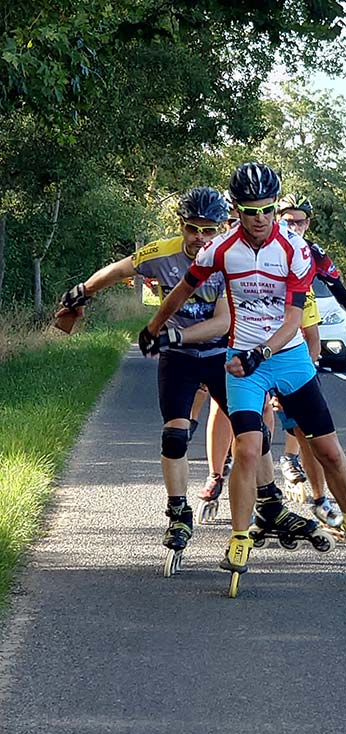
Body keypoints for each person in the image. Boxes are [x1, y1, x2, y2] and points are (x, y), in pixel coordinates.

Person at [143, 163, 346, 587]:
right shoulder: (219, 250)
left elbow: (295, 317)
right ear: (236, 212)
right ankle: (240, 536)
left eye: (267, 209)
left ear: (276, 208)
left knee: (328, 450)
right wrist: (154, 330)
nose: (259, 219)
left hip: (286, 354)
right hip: (244, 360)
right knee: (247, 448)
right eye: (248, 211)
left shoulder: (295, 249)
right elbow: (182, 290)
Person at [55, 188, 254, 568]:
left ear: (221, 229)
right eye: (193, 229)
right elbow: (120, 269)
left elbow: (224, 320)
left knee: (251, 433)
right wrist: (84, 290)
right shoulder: (162, 253)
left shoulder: (231, 259)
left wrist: (173, 333)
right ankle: (179, 514)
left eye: (209, 231)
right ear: (182, 226)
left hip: (219, 355)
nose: (200, 238)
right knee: (175, 434)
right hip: (178, 358)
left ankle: (266, 501)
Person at [273, 193, 346, 525]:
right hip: (256, 343)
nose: (294, 226)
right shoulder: (261, 249)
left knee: (307, 427)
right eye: (287, 220)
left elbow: (338, 288)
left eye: (300, 221)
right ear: (276, 219)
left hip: (297, 341)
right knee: (256, 422)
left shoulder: (312, 254)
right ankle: (247, 490)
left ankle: (317, 497)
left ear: (309, 223)